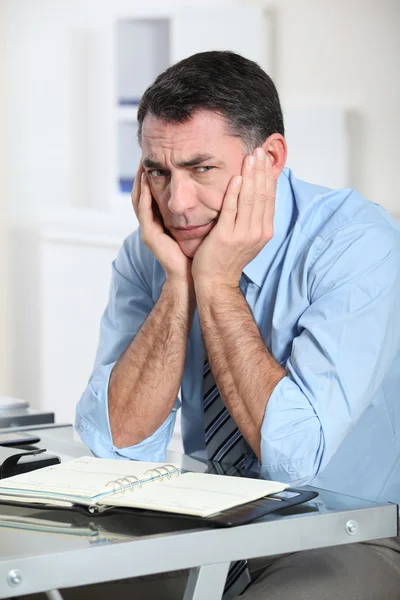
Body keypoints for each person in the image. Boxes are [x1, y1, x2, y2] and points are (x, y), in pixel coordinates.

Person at [76, 51, 400, 599]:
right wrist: (180, 283)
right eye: (158, 172)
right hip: (203, 526)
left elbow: (295, 460)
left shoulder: (355, 243)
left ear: (269, 158)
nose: (177, 204)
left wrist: (219, 286)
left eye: (201, 169)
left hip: (346, 536)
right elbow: (117, 449)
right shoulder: (151, 251)